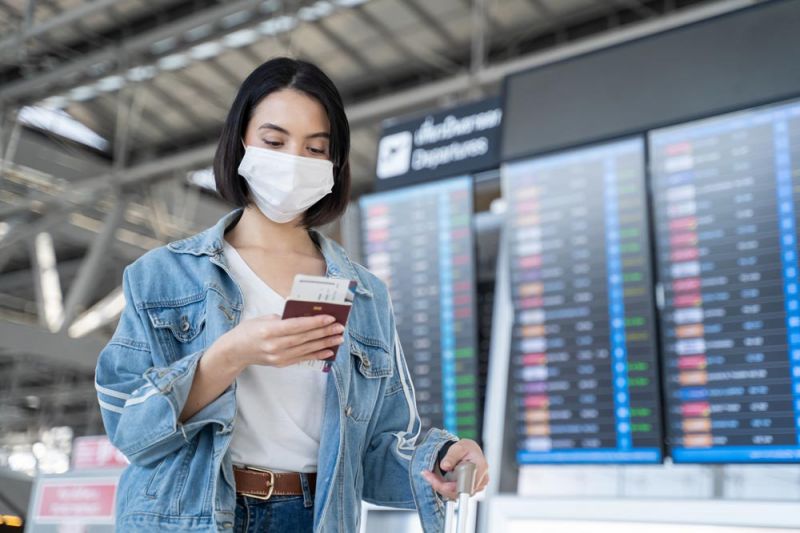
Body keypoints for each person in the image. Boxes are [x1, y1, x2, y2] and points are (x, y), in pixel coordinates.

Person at [94, 57, 488, 533]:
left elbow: (378, 444)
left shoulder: (364, 296)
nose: (293, 162)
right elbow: (129, 429)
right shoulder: (162, 276)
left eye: (315, 149)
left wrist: (442, 460)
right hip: (187, 517)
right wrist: (230, 355)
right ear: (242, 140)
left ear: (334, 163)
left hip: (312, 516)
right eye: (275, 141)